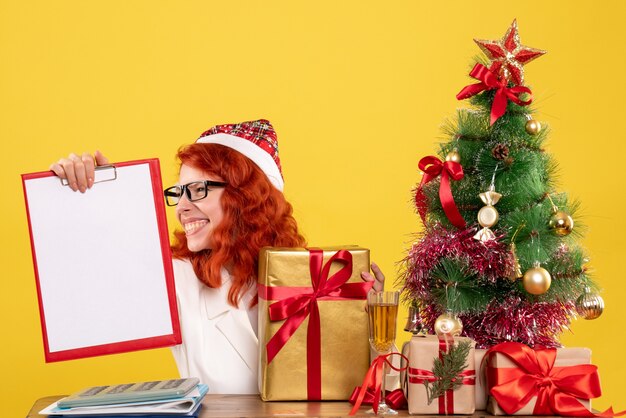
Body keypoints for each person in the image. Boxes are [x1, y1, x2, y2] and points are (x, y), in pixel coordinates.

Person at [50, 119, 385, 394]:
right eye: (179, 192)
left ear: (247, 198)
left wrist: (370, 326)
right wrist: (97, 198)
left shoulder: (321, 282)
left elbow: (369, 391)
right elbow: (92, 289)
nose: (181, 207)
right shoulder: (180, 280)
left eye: (198, 190)